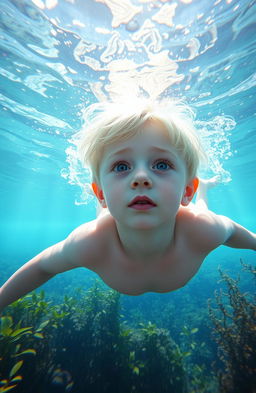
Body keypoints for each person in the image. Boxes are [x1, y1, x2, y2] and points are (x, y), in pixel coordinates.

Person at [0, 98, 255, 311]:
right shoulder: (90, 243)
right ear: (98, 193)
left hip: (185, 216)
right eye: (121, 166)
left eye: (161, 165)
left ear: (186, 190)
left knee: (201, 212)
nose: (141, 178)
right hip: (107, 221)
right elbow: (42, 266)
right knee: (104, 217)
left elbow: (234, 232)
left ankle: (203, 189)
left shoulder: (203, 230)